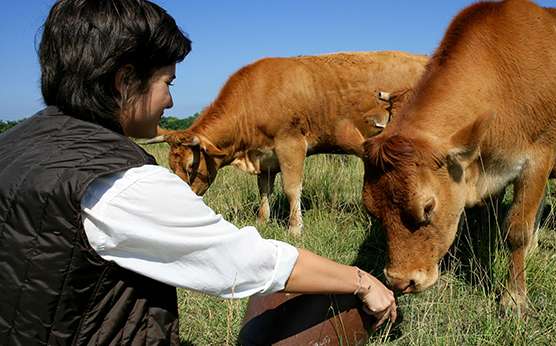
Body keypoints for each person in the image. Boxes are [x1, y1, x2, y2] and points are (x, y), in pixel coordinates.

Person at [0, 1, 396, 345]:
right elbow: (245, 262)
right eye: (166, 82)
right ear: (124, 82)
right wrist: (363, 280)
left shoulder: (12, 147)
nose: (171, 100)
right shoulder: (118, 183)